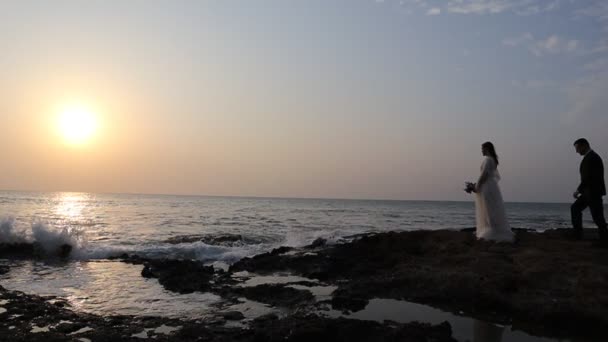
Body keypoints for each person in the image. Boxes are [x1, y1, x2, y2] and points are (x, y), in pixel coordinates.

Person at [468, 142, 514, 242]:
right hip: (490, 186)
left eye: (482, 148)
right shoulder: (492, 160)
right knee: (490, 209)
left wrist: (475, 186)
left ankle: (493, 232)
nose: (481, 150)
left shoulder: (488, 160)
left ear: (487, 148)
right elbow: (486, 176)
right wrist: (475, 185)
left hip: (487, 188)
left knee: (489, 210)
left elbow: (484, 175)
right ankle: (492, 229)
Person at [570, 138, 608, 245]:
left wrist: (578, 190)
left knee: (598, 217)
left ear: (584, 146)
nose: (577, 151)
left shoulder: (593, 158)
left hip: (593, 192)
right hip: (589, 192)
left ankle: (604, 241)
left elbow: (588, 177)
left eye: (577, 148)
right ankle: (577, 234)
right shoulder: (590, 157)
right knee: (576, 208)